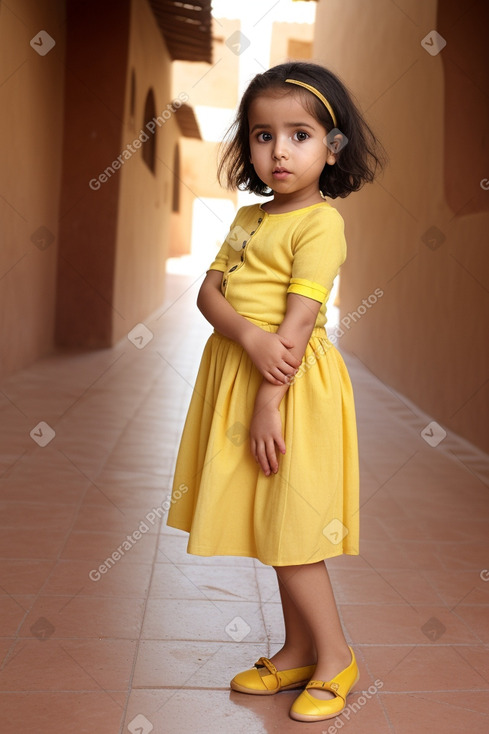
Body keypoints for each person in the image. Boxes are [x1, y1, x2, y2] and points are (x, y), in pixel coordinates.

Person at [167, 61, 385, 722]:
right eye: (263, 136)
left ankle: (336, 656)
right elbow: (208, 292)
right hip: (244, 370)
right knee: (271, 525)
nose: (279, 151)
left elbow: (296, 323)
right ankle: (294, 652)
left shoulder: (320, 225)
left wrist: (267, 397)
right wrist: (246, 337)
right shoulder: (245, 220)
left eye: (299, 134)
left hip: (288, 390)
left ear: (332, 146)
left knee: (294, 534)